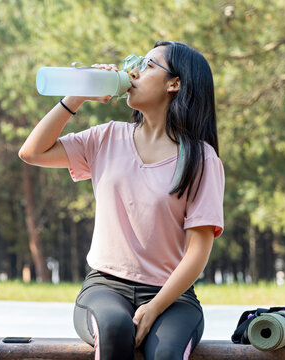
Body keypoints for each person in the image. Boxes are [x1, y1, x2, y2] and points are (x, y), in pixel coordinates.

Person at [18, 41, 224, 360]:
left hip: (173, 298)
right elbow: (32, 152)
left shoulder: (201, 158)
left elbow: (198, 251)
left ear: (175, 83)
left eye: (148, 65)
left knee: (167, 352)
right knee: (115, 330)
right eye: (135, 63)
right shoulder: (106, 138)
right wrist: (78, 94)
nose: (133, 71)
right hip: (105, 288)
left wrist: (155, 307)